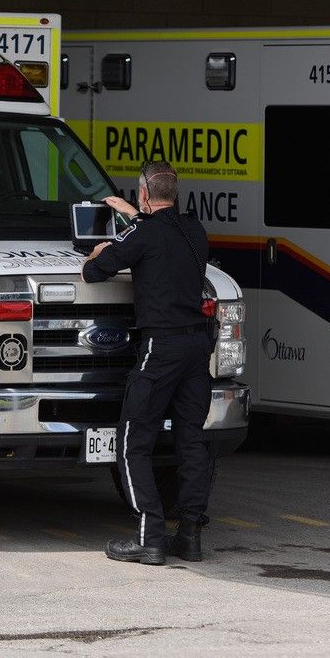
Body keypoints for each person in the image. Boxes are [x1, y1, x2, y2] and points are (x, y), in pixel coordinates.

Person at [81, 159, 212, 566]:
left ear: (142, 193)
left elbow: (94, 272)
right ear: (175, 193)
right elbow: (160, 234)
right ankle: (189, 535)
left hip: (162, 349)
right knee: (192, 441)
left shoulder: (142, 235)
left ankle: (149, 537)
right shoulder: (194, 229)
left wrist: (101, 248)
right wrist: (135, 216)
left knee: (132, 441)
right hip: (197, 350)